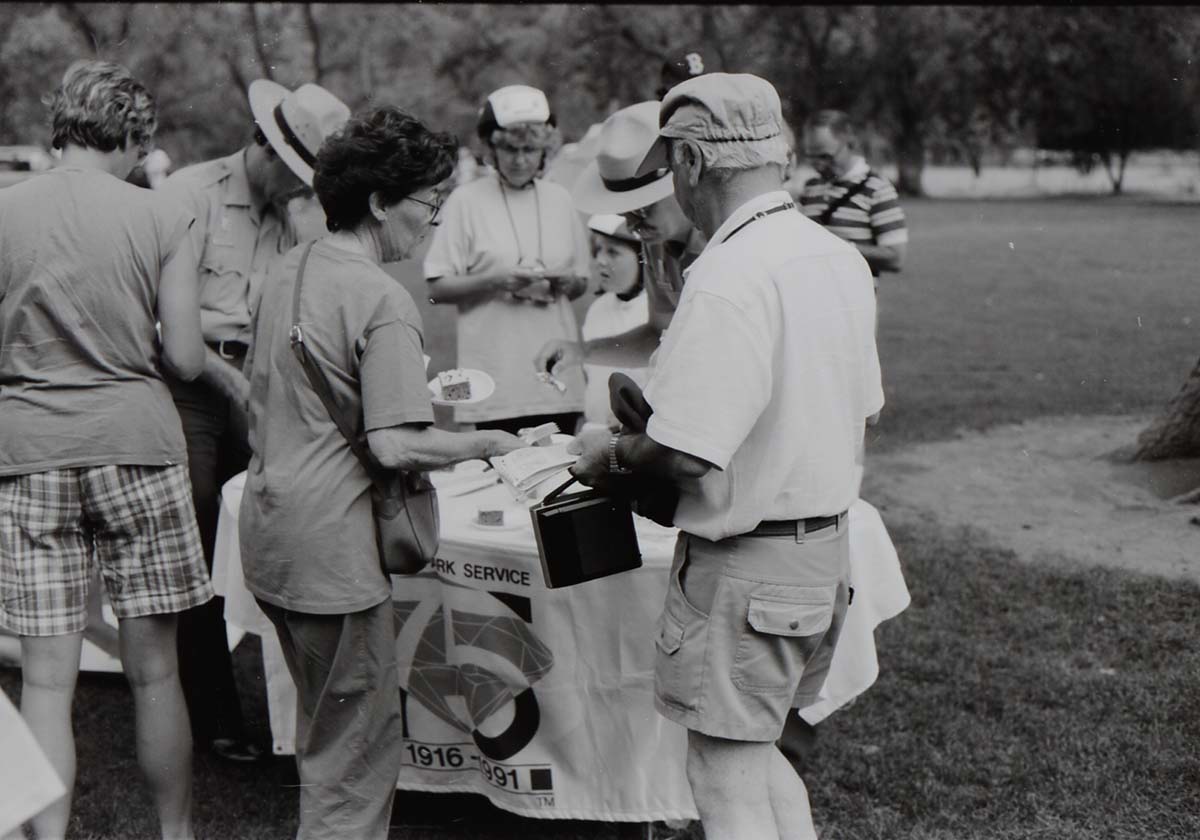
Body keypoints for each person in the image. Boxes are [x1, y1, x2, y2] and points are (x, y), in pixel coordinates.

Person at [568, 73, 883, 840]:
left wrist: (604, 452)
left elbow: (687, 458)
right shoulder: (834, 254)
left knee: (722, 776)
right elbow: (863, 403)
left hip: (750, 565)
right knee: (762, 758)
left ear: (692, 165)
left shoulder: (730, 274)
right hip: (823, 553)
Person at [239, 105, 523, 840]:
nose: (432, 222)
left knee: (327, 737)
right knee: (356, 761)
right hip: (333, 554)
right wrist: (489, 445)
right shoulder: (382, 296)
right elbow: (395, 445)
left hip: (272, 537)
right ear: (377, 203)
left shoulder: (285, 268)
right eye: (428, 203)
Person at [0, 59, 210, 840]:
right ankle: (176, 834)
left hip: (29, 452)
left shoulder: (4, 209)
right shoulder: (161, 216)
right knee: (155, 672)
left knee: (47, 684)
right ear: (130, 135)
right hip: (139, 448)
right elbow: (187, 358)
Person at [157, 79, 350, 763]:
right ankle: (214, 715)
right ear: (262, 145)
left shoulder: (293, 214)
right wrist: (236, 383)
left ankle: (292, 700)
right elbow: (158, 319)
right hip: (187, 383)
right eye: (296, 175)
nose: (301, 189)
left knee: (286, 515)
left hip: (258, 383)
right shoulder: (188, 195)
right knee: (201, 523)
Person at [424, 84, 591, 435]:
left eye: (530, 149)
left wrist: (565, 282)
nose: (520, 160)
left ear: (545, 150)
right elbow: (436, 288)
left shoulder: (561, 199)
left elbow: (581, 283)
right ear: (491, 148)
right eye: (510, 149)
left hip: (555, 384)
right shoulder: (465, 201)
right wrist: (496, 280)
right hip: (492, 378)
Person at [534, 100, 705, 378]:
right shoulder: (656, 243)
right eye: (624, 211)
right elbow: (658, 334)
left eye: (642, 208)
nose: (632, 225)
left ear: (680, 182)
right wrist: (582, 352)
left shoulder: (727, 244)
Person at [799, 109, 908, 281]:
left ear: (850, 143)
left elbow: (896, 258)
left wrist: (835, 247)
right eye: (811, 157)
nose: (818, 165)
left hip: (855, 304)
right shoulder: (811, 188)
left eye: (824, 156)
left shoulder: (877, 188)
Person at [578, 214, 650, 431]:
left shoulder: (655, 311)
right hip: (597, 432)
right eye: (598, 250)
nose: (600, 260)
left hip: (638, 435)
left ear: (642, 257)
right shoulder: (598, 309)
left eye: (613, 252)